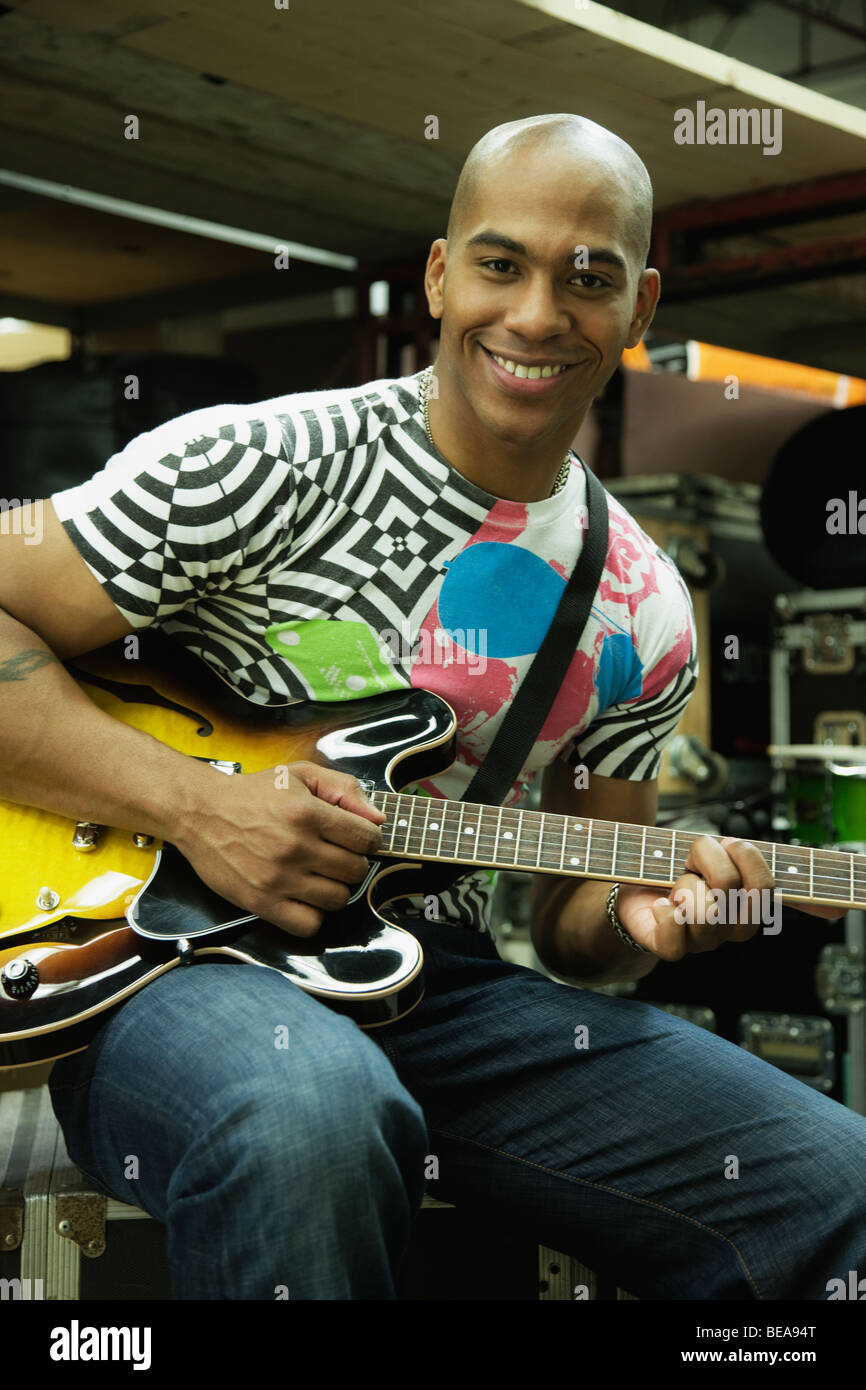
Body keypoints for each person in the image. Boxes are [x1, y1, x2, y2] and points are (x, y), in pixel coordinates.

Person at [1, 113, 863, 1301]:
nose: (535, 314)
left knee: (831, 1176)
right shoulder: (254, 463)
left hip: (432, 984)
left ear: (642, 306)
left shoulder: (643, 608)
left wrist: (643, 921)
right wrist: (201, 807)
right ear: (439, 273)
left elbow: (576, 919)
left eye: (588, 277)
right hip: (160, 969)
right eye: (500, 263)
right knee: (308, 1112)